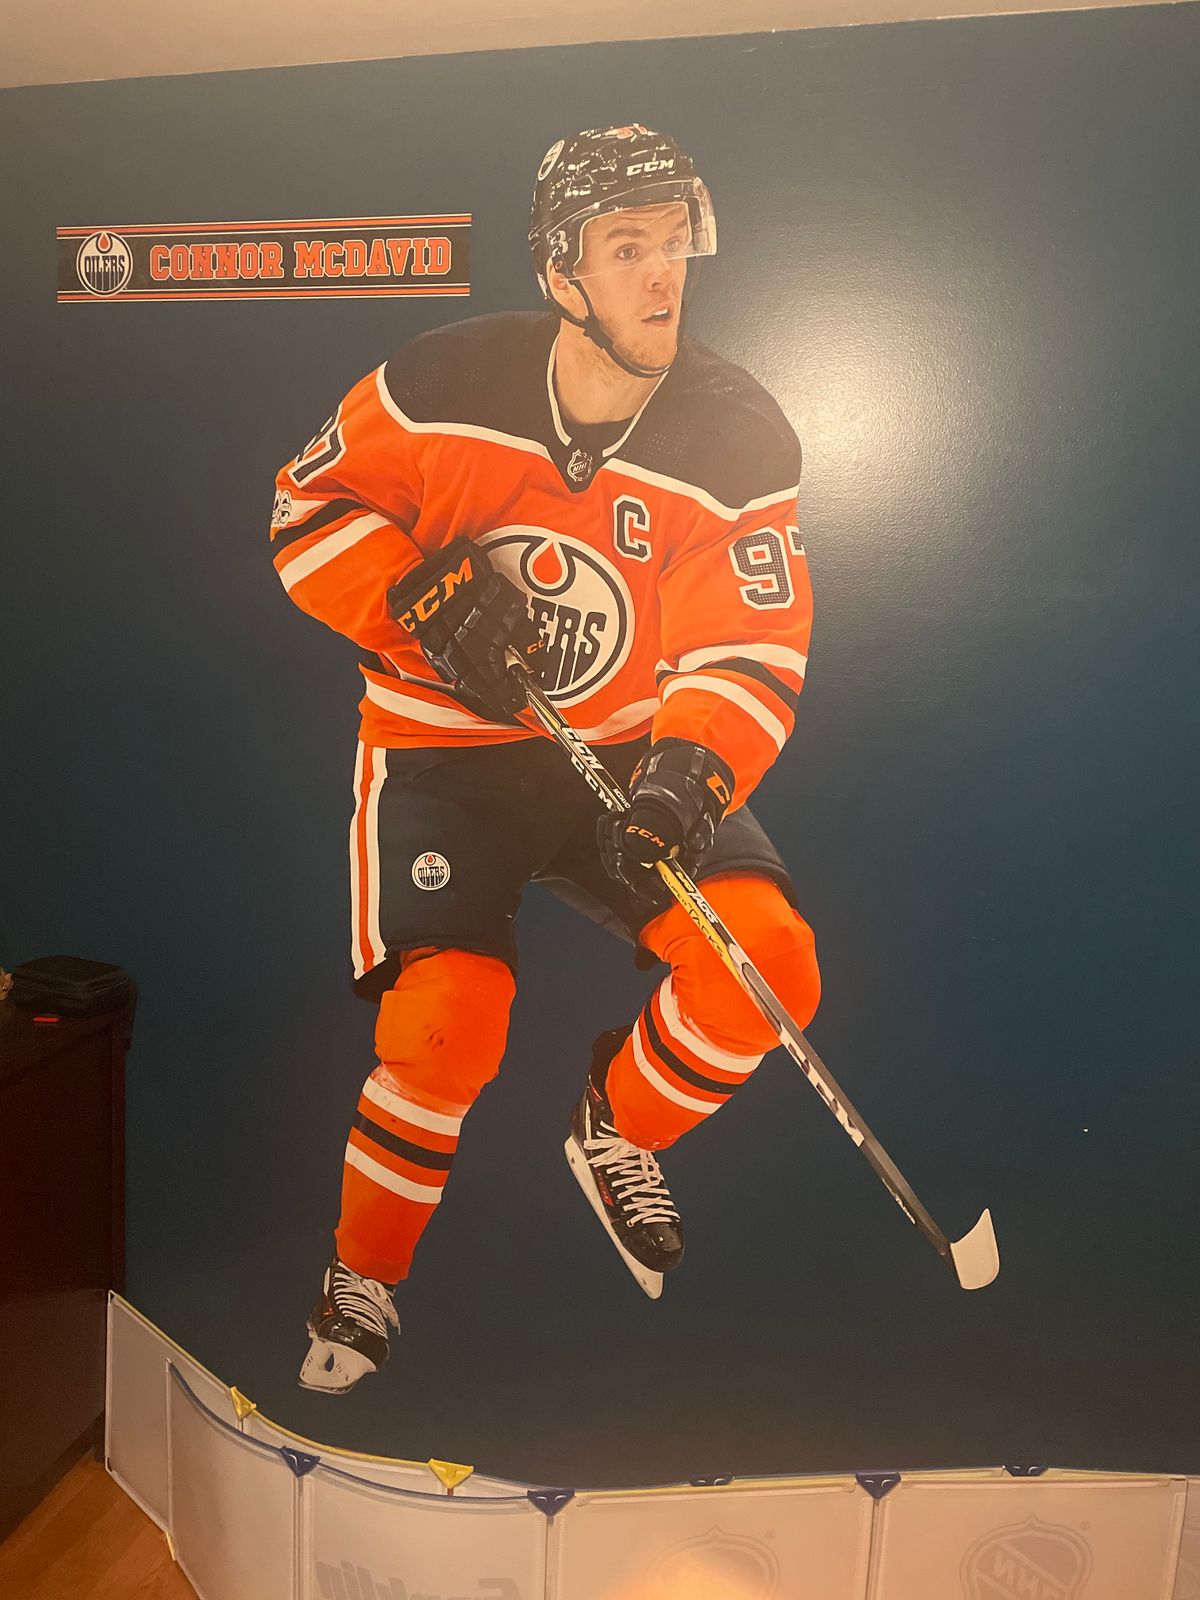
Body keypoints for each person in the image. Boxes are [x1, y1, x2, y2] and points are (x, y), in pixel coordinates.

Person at [270, 124, 821, 1395]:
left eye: (674, 243)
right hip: (443, 748)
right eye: (627, 248)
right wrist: (414, 597)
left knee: (769, 967)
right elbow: (305, 513)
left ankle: (617, 1125)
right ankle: (364, 1273)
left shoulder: (739, 434)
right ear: (562, 272)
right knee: (447, 1025)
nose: (663, 273)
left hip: (620, 745)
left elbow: (749, 642)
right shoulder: (439, 380)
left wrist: (691, 768)